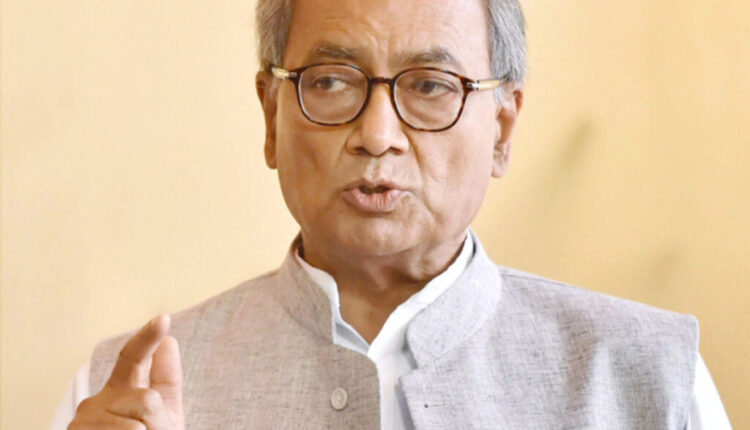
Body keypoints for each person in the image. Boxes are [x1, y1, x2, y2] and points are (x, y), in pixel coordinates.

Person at [52, 0, 733, 428]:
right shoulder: (125, 392)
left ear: (501, 128)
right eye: (330, 81)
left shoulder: (648, 379)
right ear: (271, 115)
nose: (377, 135)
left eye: (431, 86)